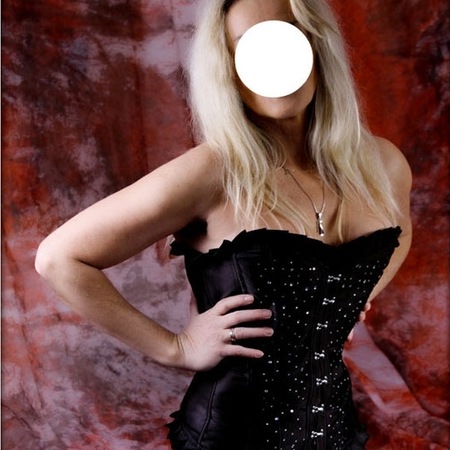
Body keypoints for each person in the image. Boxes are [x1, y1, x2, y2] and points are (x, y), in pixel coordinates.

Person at [35, 0, 412, 448]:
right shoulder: (213, 173)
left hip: (336, 432)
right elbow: (59, 258)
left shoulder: (381, 165)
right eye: (250, 47)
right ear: (228, 67)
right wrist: (174, 348)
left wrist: (358, 293)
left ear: (318, 47)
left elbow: (398, 233)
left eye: (287, 38)